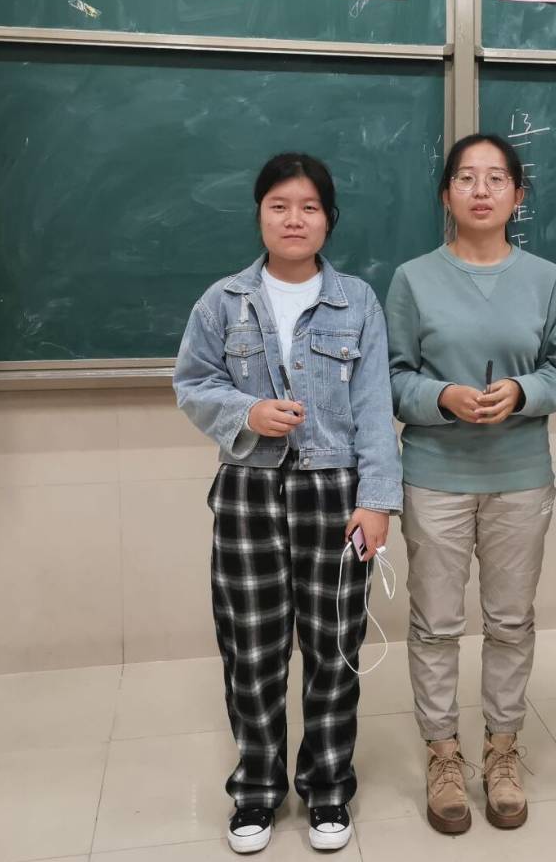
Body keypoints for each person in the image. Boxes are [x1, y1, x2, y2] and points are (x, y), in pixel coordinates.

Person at [174, 153, 401, 854]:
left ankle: (328, 786)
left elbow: (375, 407)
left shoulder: (357, 301)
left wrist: (377, 501)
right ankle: (256, 789)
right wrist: (246, 412)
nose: (294, 219)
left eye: (308, 206)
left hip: (336, 494)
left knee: (335, 647)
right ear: (260, 215)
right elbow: (192, 384)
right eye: (279, 205)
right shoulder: (224, 301)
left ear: (329, 218)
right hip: (249, 491)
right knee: (252, 648)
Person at [384, 134, 556, 834]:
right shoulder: (413, 279)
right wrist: (442, 398)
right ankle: (442, 752)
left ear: (518, 195)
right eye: (466, 177)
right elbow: (392, 377)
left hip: (520, 475)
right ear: (447, 194)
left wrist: (522, 392)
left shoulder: (547, 278)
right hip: (435, 474)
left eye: (497, 178)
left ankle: (502, 747)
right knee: (435, 623)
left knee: (511, 620)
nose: (482, 190)